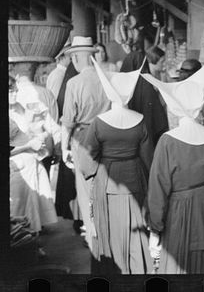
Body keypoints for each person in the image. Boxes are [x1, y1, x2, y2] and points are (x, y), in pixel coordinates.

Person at [142, 56, 204, 274]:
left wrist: (156, 227)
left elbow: (157, 191)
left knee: (184, 266)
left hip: (181, 213)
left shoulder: (167, 142)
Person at [78, 58, 154, 274]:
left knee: (109, 230)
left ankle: (113, 273)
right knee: (136, 230)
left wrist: (91, 173)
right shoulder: (139, 120)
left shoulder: (99, 122)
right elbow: (148, 157)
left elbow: (87, 158)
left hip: (107, 180)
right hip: (135, 178)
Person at [60, 36, 111, 251]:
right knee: (107, 184)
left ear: (77, 57)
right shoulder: (108, 77)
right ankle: (108, 229)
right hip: (109, 135)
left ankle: (93, 234)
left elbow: (68, 120)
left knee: (86, 188)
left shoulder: (74, 83)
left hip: (83, 138)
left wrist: (64, 147)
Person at [9, 61, 61, 177]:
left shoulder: (15, 95)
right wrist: (57, 149)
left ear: (16, 72)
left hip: (24, 155)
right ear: (34, 70)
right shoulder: (46, 93)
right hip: (41, 150)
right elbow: (54, 124)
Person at [49, 46, 82, 228]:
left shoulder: (69, 78)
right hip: (68, 127)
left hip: (69, 128)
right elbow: (56, 103)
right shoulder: (59, 76)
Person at [120, 46, 169, 147]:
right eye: (162, 61)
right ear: (154, 60)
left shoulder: (159, 76)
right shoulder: (144, 83)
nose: (164, 64)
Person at [166, 58, 204, 129]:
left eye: (185, 73)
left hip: (195, 134)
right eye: (182, 72)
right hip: (184, 134)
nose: (182, 75)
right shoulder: (173, 94)